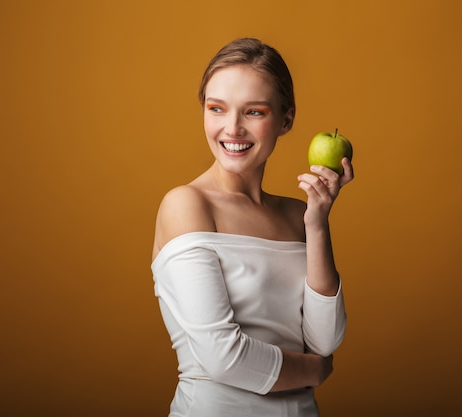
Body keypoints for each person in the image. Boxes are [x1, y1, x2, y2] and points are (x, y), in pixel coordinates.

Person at [151, 37, 354, 417]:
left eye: (254, 112)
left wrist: (317, 224)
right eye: (217, 109)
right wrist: (314, 370)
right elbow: (223, 357)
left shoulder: (298, 215)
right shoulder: (186, 205)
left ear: (286, 119)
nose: (232, 129)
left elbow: (325, 338)